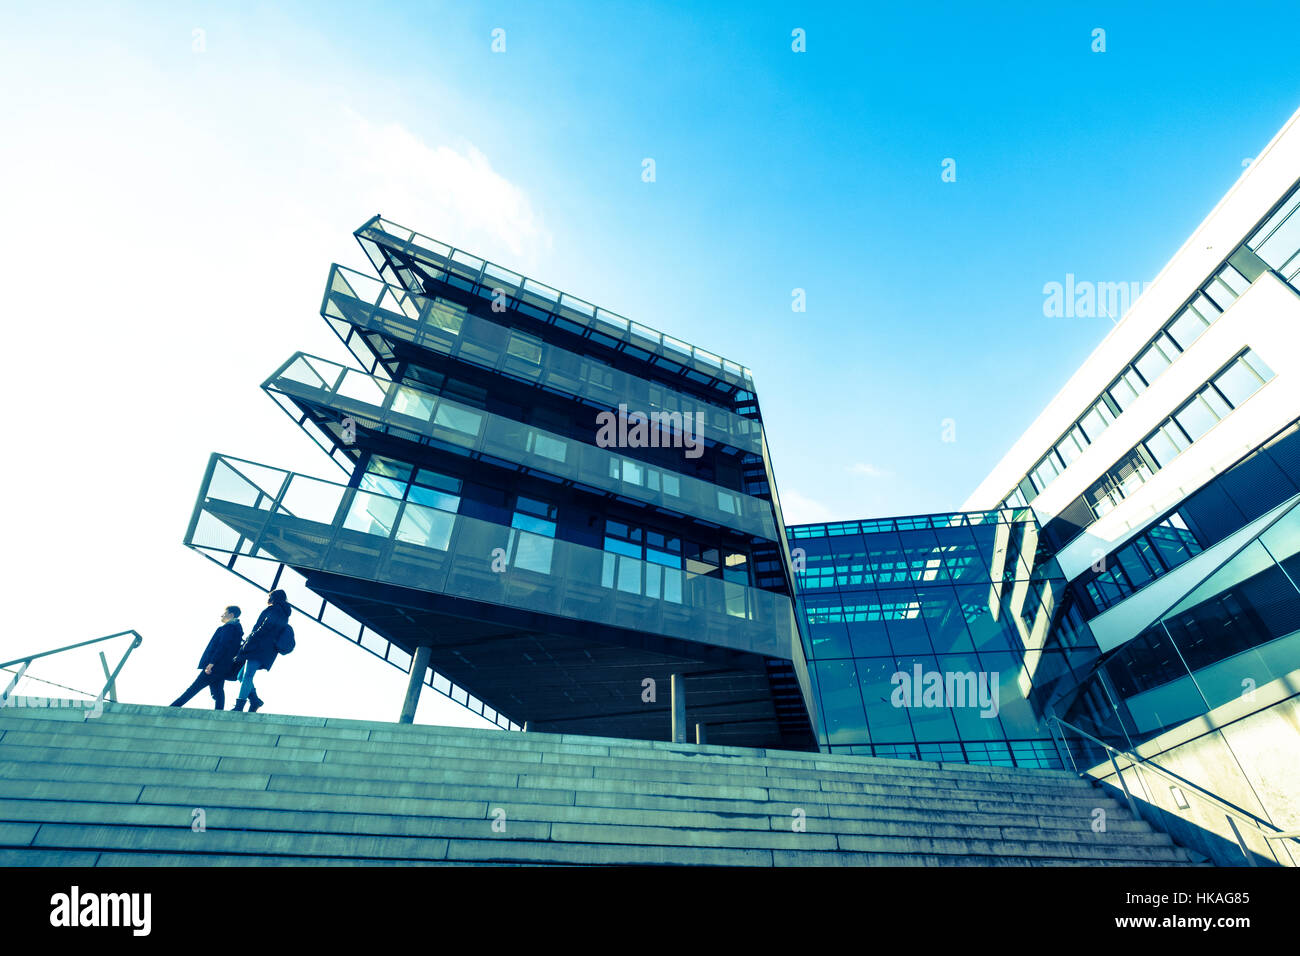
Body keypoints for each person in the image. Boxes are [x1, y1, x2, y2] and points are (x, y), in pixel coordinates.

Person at [169, 606, 243, 710]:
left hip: (216, 665)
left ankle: (172, 708)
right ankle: (219, 713)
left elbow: (222, 646)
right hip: (223, 666)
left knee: (194, 688)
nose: (222, 615)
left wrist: (212, 662)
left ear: (231, 615)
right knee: (217, 691)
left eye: (224, 613)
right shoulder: (236, 629)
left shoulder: (229, 628)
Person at [232, 589, 291, 712]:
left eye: (270, 597)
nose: (268, 599)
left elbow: (265, 627)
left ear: (273, 598)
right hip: (267, 649)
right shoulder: (284, 614)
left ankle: (239, 706)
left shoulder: (275, 609)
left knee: (247, 675)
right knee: (241, 676)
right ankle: (255, 701)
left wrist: (251, 639)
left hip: (259, 646)